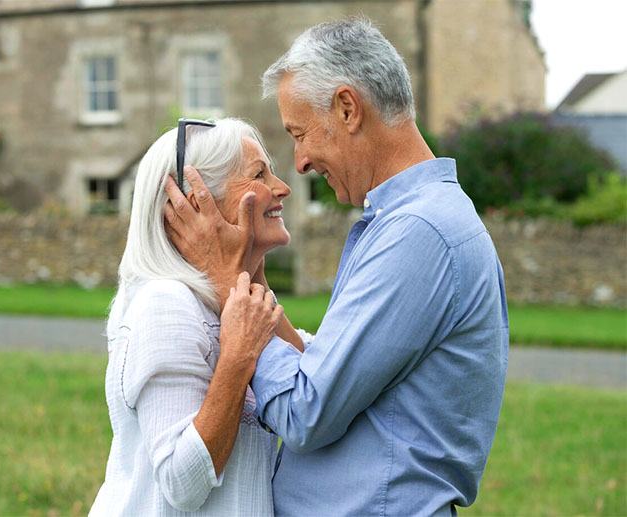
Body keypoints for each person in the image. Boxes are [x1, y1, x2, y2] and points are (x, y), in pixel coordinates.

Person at [164, 18, 509, 516]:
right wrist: (247, 274)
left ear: (348, 109)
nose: (299, 162)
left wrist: (224, 278)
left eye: (300, 134)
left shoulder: (420, 233)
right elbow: (328, 375)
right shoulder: (411, 222)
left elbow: (306, 408)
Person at [89, 118, 308, 516]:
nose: (282, 187)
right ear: (194, 202)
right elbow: (179, 481)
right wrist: (238, 357)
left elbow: (313, 385)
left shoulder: (226, 302)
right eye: (259, 174)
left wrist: (245, 277)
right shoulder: (166, 304)